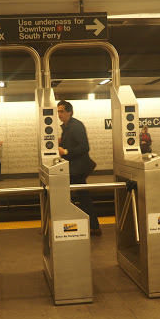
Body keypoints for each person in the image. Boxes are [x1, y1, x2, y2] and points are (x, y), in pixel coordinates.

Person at [57, 100, 101, 236]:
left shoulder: (76, 126)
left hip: (77, 169)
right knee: (82, 197)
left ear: (69, 112)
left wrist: (65, 151)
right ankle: (91, 226)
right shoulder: (67, 126)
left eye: (62, 111)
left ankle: (92, 226)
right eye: (58, 111)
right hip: (72, 169)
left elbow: (84, 147)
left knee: (82, 197)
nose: (59, 114)